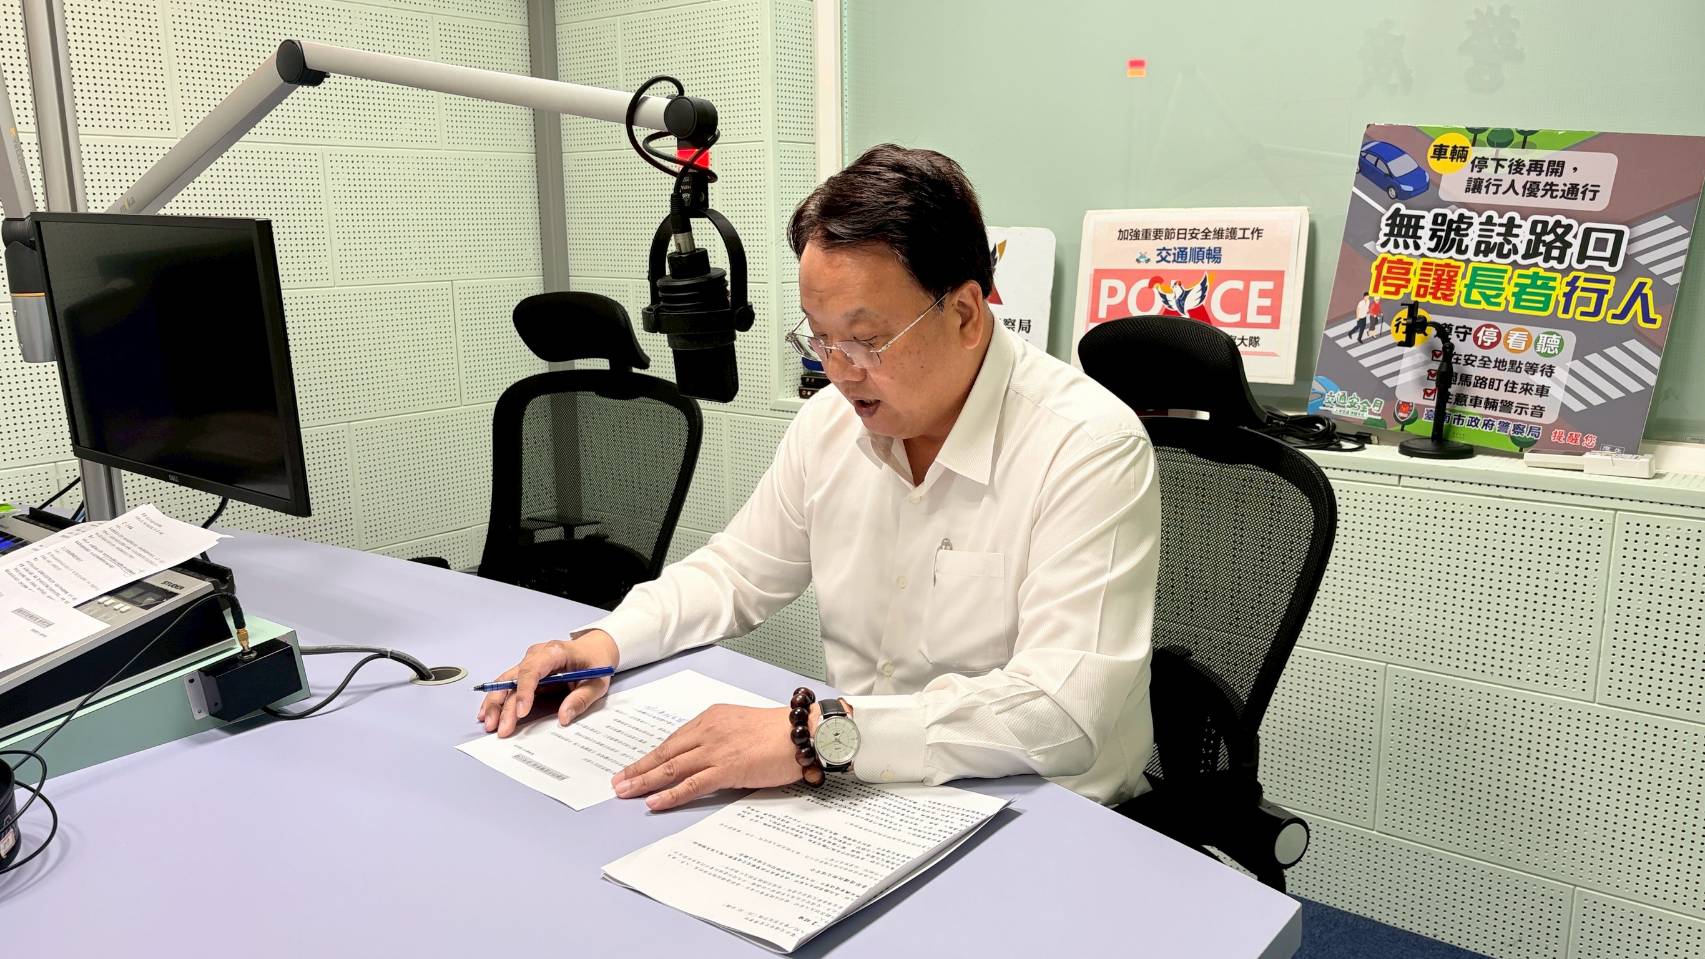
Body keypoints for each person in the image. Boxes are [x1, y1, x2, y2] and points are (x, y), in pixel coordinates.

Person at [477, 145, 1160, 809]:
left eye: (867, 340)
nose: (839, 369)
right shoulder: (831, 423)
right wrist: (600, 645)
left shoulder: (1087, 445)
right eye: (819, 337)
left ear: (964, 314)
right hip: (863, 784)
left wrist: (815, 734)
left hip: (1045, 808)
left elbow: (1061, 710)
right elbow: (735, 573)